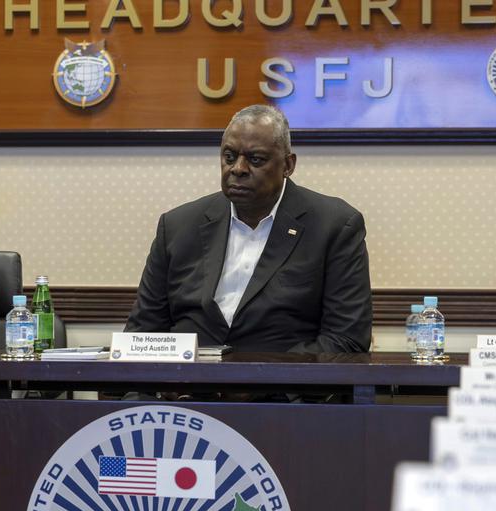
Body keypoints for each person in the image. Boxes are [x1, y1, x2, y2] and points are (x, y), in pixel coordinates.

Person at [125, 105, 372, 353]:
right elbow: (142, 333)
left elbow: (346, 340)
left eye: (255, 159)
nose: (238, 169)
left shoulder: (335, 225)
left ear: (288, 165)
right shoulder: (178, 225)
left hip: (280, 388)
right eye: (229, 157)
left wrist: (255, 378)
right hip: (183, 385)